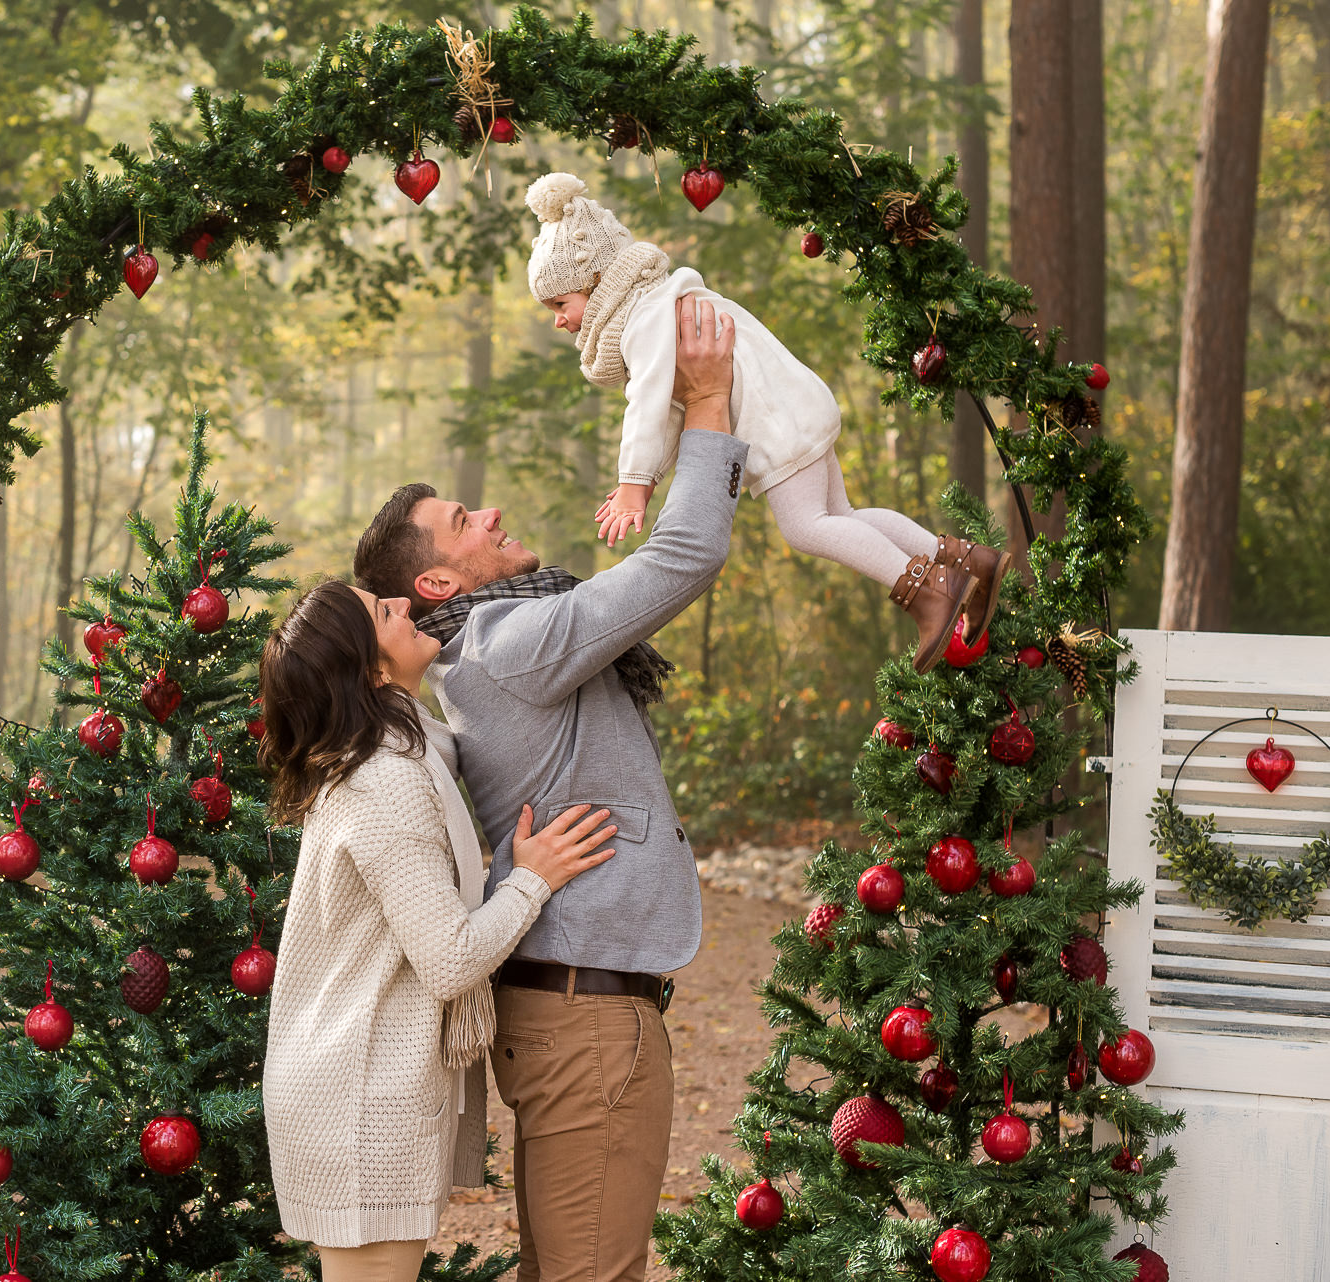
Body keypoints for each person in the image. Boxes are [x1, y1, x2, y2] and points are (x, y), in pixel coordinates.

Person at [350, 293, 737, 1282]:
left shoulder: (491, 646)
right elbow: (684, 554)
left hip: (572, 1011)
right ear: (440, 583)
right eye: (461, 522)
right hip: (587, 1021)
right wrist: (706, 405)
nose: (491, 515)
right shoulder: (510, 641)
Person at [258, 578, 619, 1282]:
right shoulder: (383, 780)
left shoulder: (407, 751)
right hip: (359, 1099)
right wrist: (532, 879)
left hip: (363, 1085)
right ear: (369, 669)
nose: (404, 607)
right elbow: (451, 963)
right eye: (382, 613)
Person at [525, 171, 1008, 673]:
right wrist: (647, 482)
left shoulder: (644, 322)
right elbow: (675, 411)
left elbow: (647, 403)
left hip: (777, 424)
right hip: (795, 408)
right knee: (839, 515)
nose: (559, 320)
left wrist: (633, 482)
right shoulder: (663, 305)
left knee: (806, 527)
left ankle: (929, 593)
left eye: (561, 304)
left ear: (599, 281)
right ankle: (966, 559)